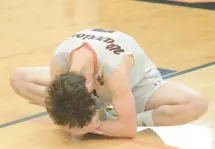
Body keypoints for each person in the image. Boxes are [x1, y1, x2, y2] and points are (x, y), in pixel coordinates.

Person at [10, 28, 208, 138]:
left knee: (197, 103)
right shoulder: (60, 60)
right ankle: (92, 113)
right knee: (18, 78)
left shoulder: (115, 71)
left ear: (89, 84)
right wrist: (64, 116)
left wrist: (91, 127)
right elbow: (58, 96)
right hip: (94, 86)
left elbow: (127, 130)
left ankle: (111, 115)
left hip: (135, 85)